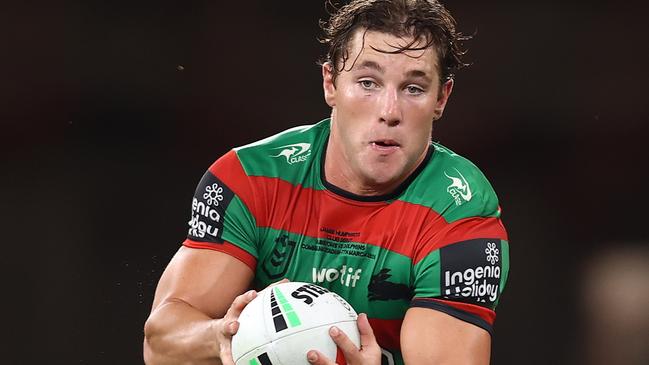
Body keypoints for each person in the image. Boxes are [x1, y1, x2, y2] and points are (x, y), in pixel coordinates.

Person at [143, 0, 510, 364]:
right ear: (330, 83)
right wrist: (227, 333)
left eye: (413, 88)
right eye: (368, 82)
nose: (389, 111)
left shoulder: (460, 212)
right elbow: (161, 346)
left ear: (441, 99)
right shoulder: (250, 178)